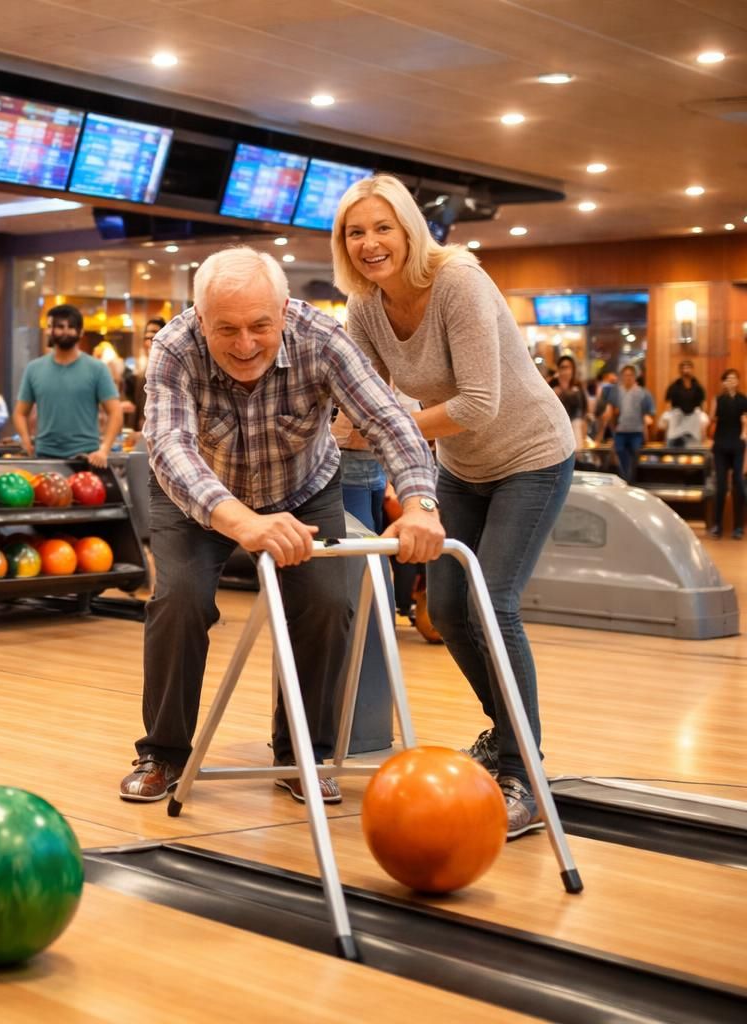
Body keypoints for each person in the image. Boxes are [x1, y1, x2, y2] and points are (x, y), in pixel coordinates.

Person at [121, 247, 441, 807]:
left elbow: (388, 419)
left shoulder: (323, 339)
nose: (245, 344)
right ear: (200, 319)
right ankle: (164, 753)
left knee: (327, 601)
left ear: (284, 309)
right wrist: (240, 521)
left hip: (303, 488)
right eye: (227, 329)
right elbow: (170, 446)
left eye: (259, 326)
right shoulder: (175, 345)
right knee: (180, 599)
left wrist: (418, 502)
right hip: (195, 494)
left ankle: (300, 755)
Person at [334, 173, 575, 837]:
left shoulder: (460, 282)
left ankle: (524, 772)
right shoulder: (365, 310)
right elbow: (358, 402)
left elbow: (478, 405)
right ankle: (505, 735)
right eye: (356, 232)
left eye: (383, 227)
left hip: (531, 456)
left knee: (491, 604)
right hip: (459, 468)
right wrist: (334, 436)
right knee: (443, 604)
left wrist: (384, 424)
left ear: (409, 229)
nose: (370, 243)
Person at [14, 304, 122, 467]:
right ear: (50, 330)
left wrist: (104, 449)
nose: (65, 331)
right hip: (44, 457)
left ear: (81, 332)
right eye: (59, 326)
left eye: (71, 327)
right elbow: (20, 413)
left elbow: (115, 411)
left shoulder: (97, 368)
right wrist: (25, 440)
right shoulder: (33, 369)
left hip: (87, 458)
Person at [708, 369, 747, 539]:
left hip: (737, 444)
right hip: (721, 444)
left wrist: (744, 430)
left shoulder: (743, 400)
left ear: (738, 382)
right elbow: (710, 419)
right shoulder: (718, 399)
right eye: (728, 379)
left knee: (738, 484)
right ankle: (717, 525)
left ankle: (738, 527)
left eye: (734, 379)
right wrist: (712, 407)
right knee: (721, 485)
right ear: (723, 382)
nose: (731, 381)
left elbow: (746, 421)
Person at [605, 365, 654, 480]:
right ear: (622, 376)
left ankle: (633, 479)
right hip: (620, 430)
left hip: (636, 430)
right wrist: (612, 427)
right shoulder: (616, 392)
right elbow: (611, 410)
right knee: (621, 453)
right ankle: (625, 478)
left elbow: (649, 412)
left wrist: (646, 429)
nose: (628, 377)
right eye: (626, 375)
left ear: (635, 376)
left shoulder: (643, 393)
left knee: (635, 455)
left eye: (631, 375)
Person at [551, 355, 589, 453]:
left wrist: (584, 427)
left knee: (575, 453)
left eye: (568, 367)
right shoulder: (552, 384)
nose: (565, 370)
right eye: (563, 367)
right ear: (558, 369)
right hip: (557, 428)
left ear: (573, 369)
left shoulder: (578, 385)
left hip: (575, 425)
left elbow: (583, 407)